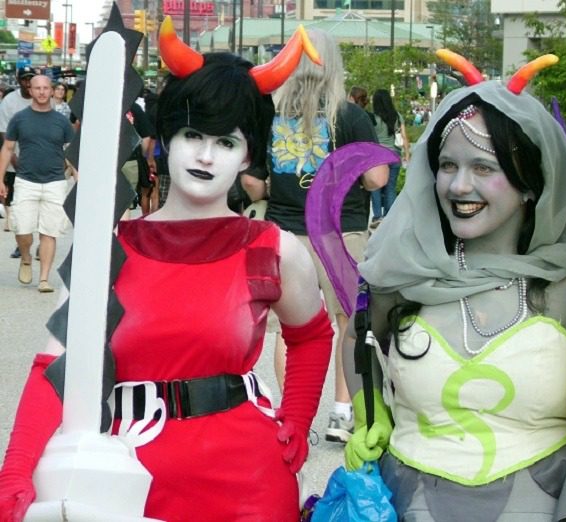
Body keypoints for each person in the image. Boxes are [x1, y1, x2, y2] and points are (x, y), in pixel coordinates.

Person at [0, 20, 333, 521]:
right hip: (124, 482)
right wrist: (15, 476)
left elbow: (312, 335)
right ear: (166, 139)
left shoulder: (274, 249)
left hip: (249, 483)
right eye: (192, 134)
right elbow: (55, 371)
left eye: (226, 142)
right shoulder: (106, 249)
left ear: (248, 153)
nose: (205, 155)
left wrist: (297, 419)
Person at [342, 62, 566, 520]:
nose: (459, 185)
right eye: (447, 166)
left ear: (530, 185)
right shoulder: (405, 277)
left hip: (546, 498)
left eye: (483, 167)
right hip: (413, 496)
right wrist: (368, 408)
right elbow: (358, 336)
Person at [241, 29, 387, 445]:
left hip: (286, 229)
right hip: (343, 232)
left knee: (291, 325)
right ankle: (342, 414)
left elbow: (251, 181)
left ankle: (292, 412)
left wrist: (277, 187)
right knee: (349, 324)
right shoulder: (351, 116)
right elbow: (376, 179)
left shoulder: (269, 115)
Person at [0, 75, 74, 293]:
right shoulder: (19, 119)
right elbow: (7, 149)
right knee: (22, 229)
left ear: (51, 91)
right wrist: (1, 178)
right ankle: (25, 257)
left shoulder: (62, 122)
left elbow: (71, 150)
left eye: (45, 88)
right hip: (26, 180)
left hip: (55, 182)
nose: (42, 92)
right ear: (30, 91)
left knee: (49, 231)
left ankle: (44, 278)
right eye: (37, 88)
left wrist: (78, 174)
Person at [0, 68, 34, 246]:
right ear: (18, 80)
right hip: (15, 160)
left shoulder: (43, 98)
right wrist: (13, 158)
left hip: (37, 161)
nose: (27, 83)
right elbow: (4, 133)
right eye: (24, 79)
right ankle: (21, 245)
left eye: (31, 79)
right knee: (17, 203)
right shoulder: (10, 101)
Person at [370, 88, 409, 227]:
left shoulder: (373, 118)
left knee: (375, 187)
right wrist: (407, 155)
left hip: (378, 157)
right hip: (394, 156)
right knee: (390, 188)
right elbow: (404, 137)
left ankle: (377, 217)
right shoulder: (397, 116)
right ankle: (389, 217)